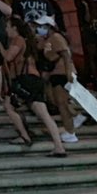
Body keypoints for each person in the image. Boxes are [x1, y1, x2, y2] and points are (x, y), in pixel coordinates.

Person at [0, 17, 67, 157]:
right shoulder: (26, 40)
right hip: (34, 79)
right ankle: (59, 146)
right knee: (44, 115)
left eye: (7, 27)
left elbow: (8, 57)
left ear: (15, 28)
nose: (6, 30)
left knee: (8, 105)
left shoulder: (18, 40)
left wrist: (0, 47)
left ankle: (25, 136)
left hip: (26, 79)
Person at [32, 15, 79, 143]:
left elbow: (66, 54)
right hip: (55, 73)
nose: (39, 28)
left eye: (42, 26)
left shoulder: (56, 37)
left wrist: (69, 72)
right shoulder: (48, 40)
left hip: (62, 73)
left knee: (62, 104)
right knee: (58, 102)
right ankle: (70, 127)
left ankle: (70, 132)